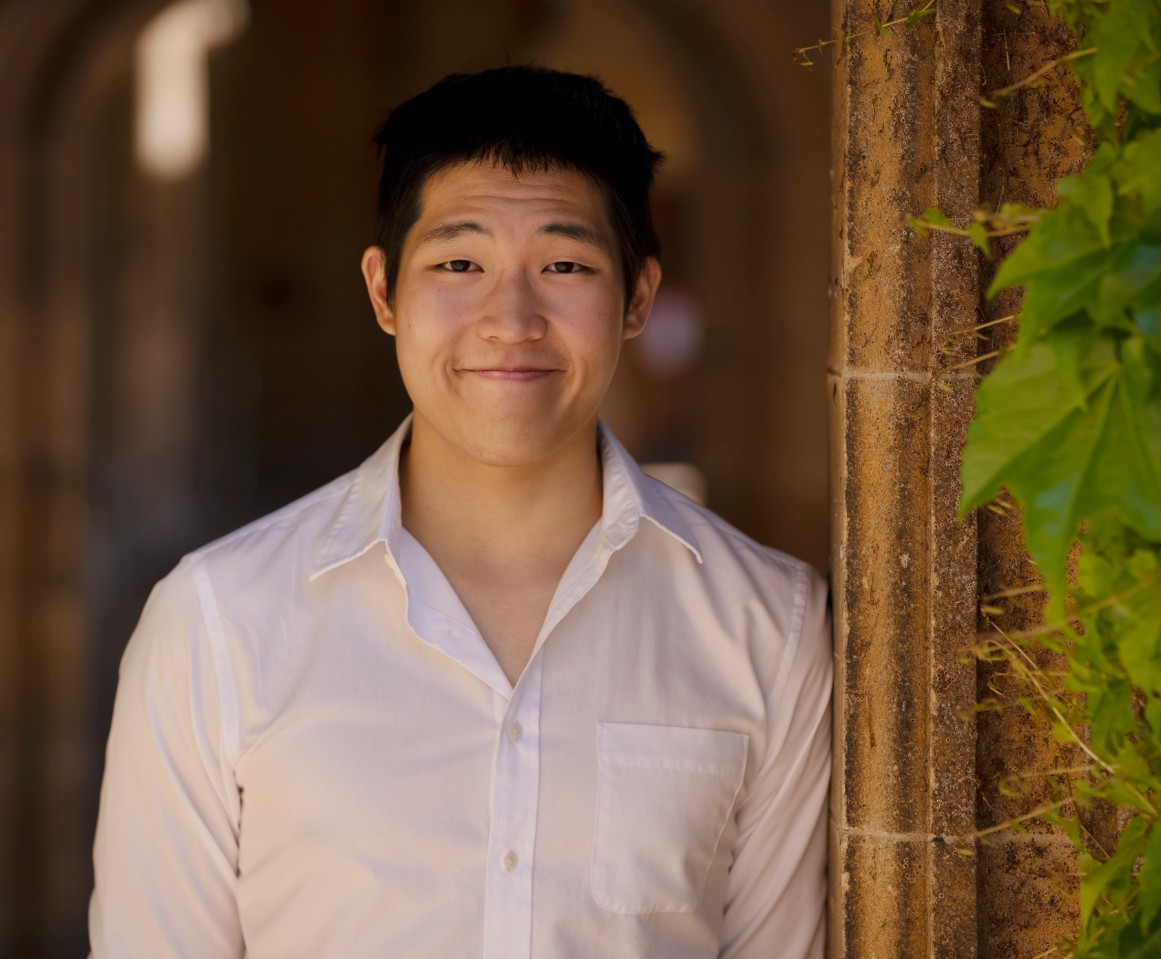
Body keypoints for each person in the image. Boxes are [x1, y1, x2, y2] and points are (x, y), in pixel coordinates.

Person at [87, 65, 832, 959]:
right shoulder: (217, 622)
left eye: (564, 264)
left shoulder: (772, 625)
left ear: (637, 295)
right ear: (381, 291)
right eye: (459, 263)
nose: (509, 317)